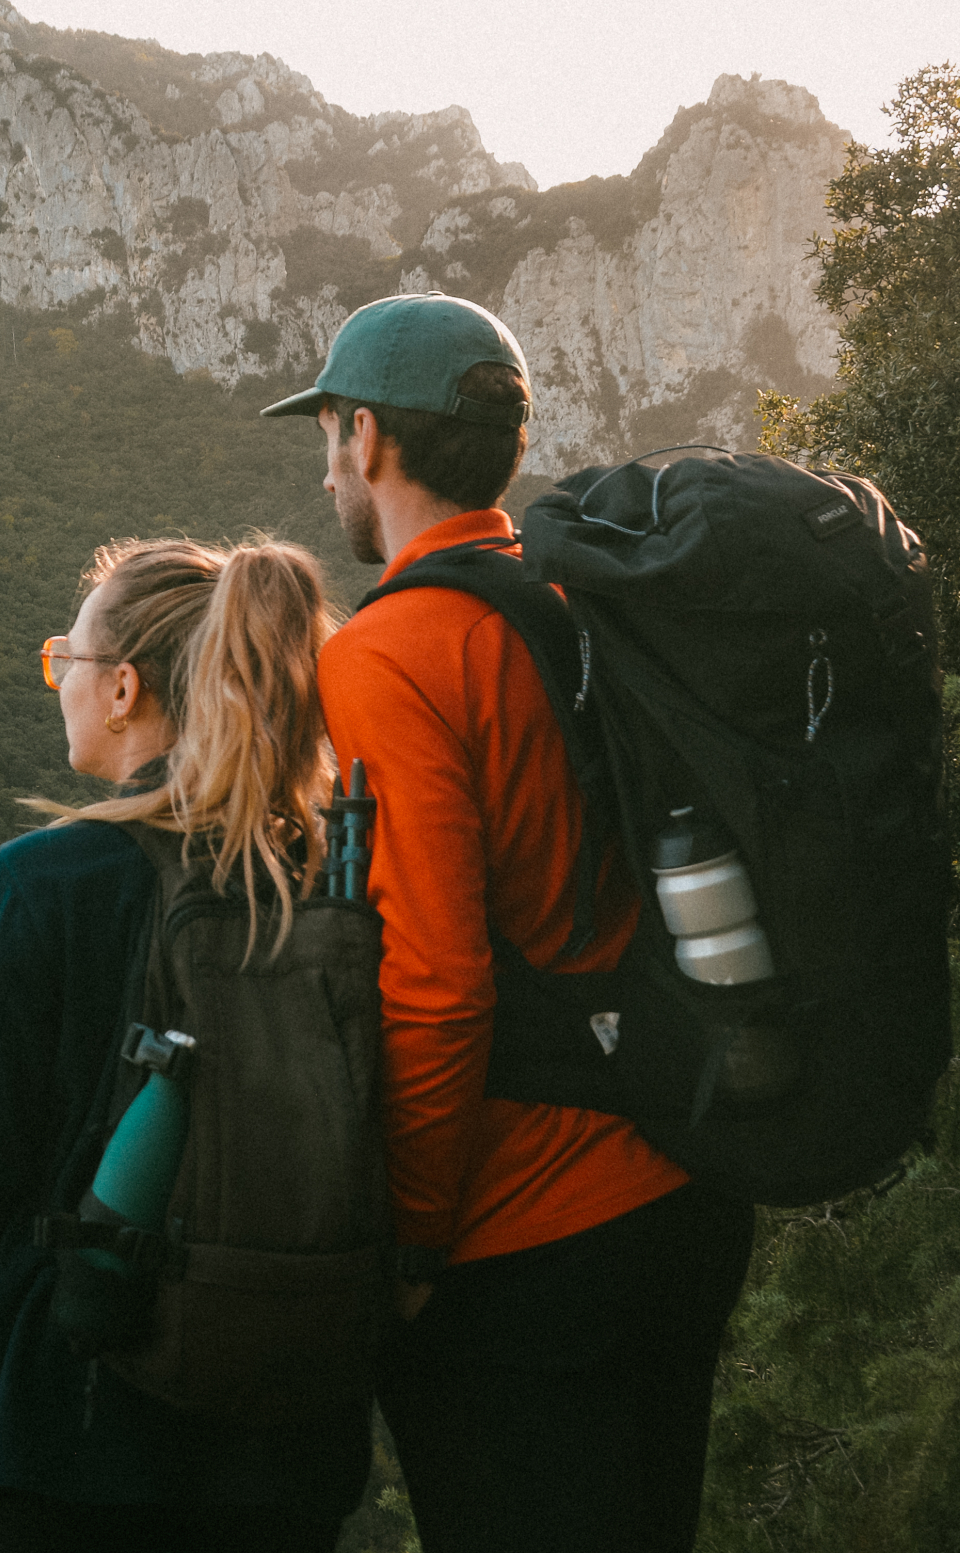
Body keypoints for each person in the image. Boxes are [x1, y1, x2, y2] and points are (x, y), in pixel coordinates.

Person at [262, 293, 755, 1552]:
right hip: (684, 1186)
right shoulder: (590, 599)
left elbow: (435, 983)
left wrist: (413, 1244)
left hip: (526, 1241)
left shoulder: (389, 656)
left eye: (327, 436)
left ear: (366, 438)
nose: (328, 469)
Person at [0, 536, 370, 1553]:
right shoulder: (329, 889)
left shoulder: (38, 885)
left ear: (123, 691)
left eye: (70, 659)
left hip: (63, 1436)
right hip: (282, 1454)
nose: (59, 679)